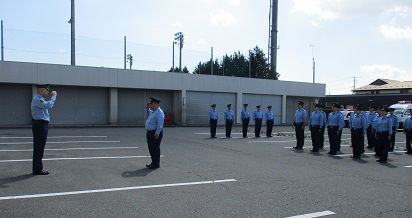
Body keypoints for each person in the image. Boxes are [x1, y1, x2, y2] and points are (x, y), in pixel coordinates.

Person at [31, 84, 57, 175]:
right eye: (47, 90)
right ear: (42, 90)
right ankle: (37, 169)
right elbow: (49, 105)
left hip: (41, 124)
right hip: (40, 125)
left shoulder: (39, 99)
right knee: (39, 147)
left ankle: (37, 167)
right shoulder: (38, 99)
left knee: (40, 147)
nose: (48, 93)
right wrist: (54, 96)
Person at [145, 97, 164, 169]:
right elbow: (148, 113)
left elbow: (160, 124)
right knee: (151, 148)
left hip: (155, 133)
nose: (150, 105)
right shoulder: (153, 111)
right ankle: (153, 162)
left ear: (156, 104)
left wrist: (157, 133)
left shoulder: (159, 112)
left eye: (151, 104)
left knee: (155, 148)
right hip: (150, 133)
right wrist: (147, 107)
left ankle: (156, 164)